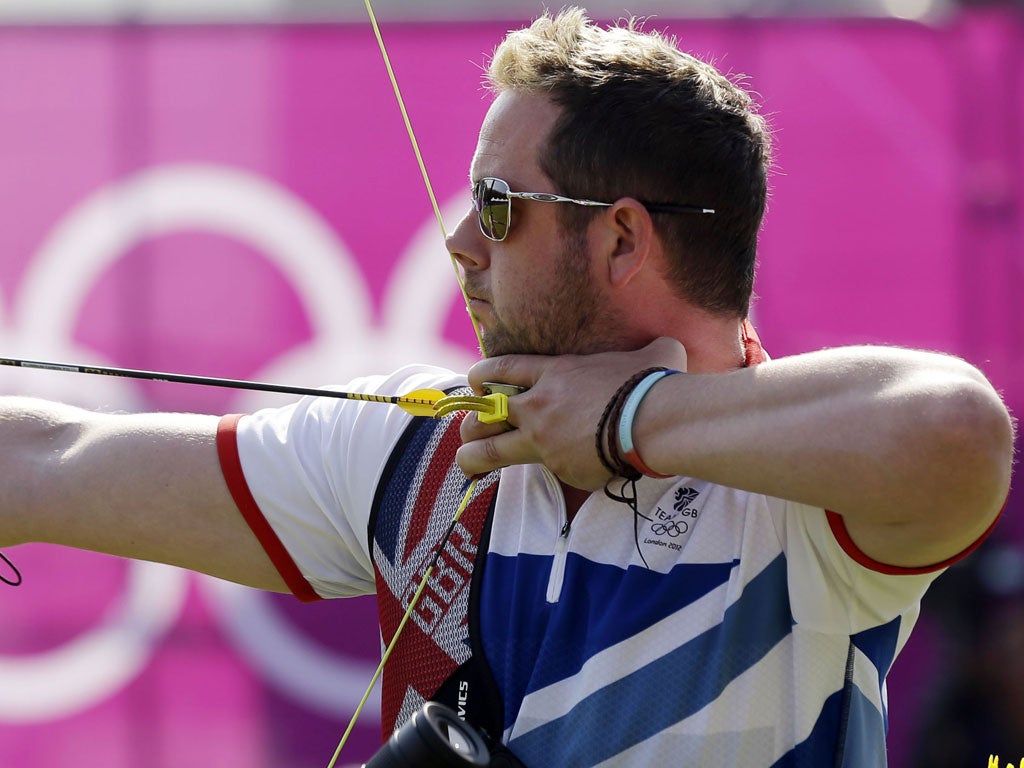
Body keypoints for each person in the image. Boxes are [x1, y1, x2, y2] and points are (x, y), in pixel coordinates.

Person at [0, 7, 1015, 767]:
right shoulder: (425, 453)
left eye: (495, 206)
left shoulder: (795, 496)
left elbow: (957, 427)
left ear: (620, 235)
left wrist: (627, 421)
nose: (456, 242)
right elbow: (47, 459)